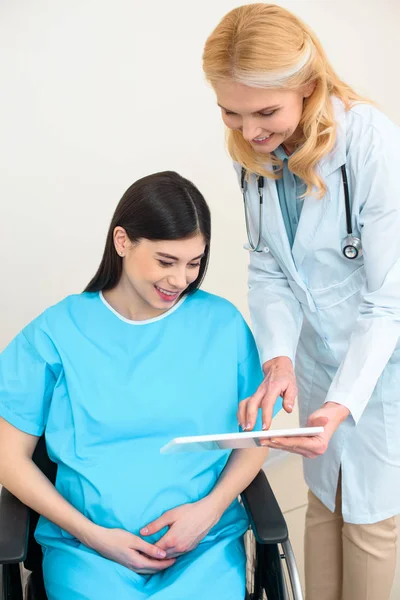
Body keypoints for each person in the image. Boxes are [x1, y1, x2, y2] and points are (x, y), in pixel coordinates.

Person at [0, 171, 280, 600]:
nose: (181, 279)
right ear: (122, 242)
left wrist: (209, 511)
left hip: (201, 545)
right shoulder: (58, 332)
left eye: (195, 262)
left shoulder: (221, 326)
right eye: (166, 261)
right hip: (90, 552)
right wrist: (93, 536)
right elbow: (8, 457)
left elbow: (256, 435)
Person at [202, 4, 400, 600]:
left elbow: (388, 301)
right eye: (230, 113)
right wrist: (280, 359)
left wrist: (343, 400)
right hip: (314, 358)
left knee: (370, 525)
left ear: (308, 88)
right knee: (323, 505)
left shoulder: (371, 143)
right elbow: (268, 269)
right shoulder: (255, 156)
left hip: (380, 369)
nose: (249, 130)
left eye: (265, 112)